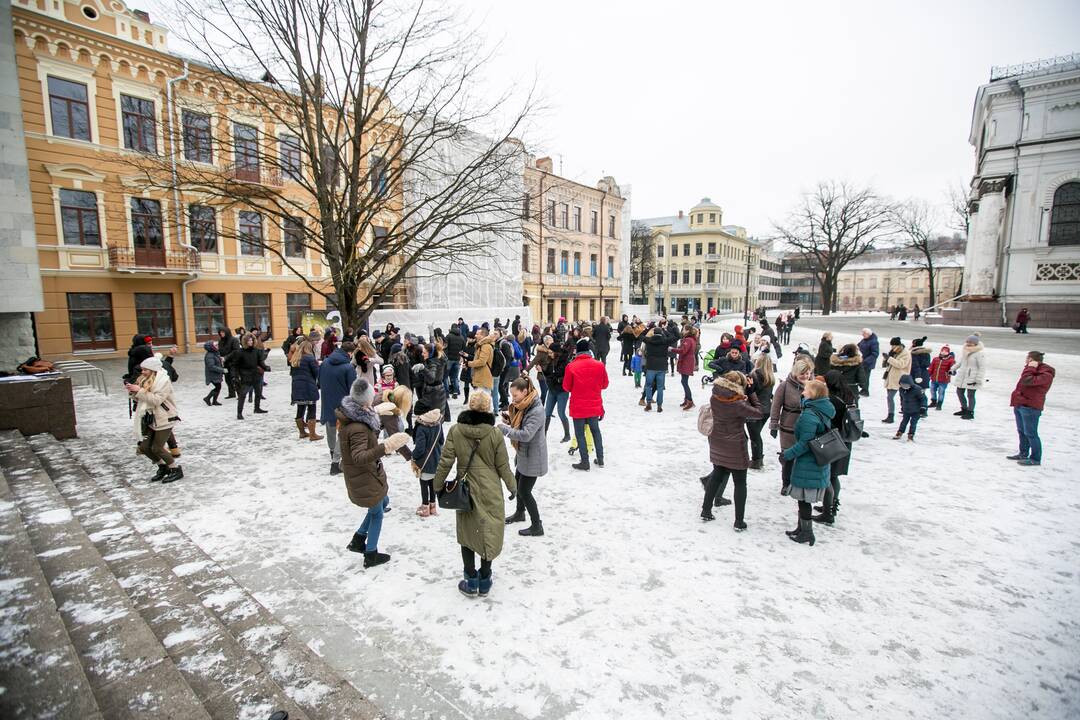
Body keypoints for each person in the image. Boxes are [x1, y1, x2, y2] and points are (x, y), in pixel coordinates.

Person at [433, 391, 517, 598]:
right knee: (489, 529)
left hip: (465, 489)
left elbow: (445, 460)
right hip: (490, 489)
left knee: (467, 534)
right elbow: (503, 465)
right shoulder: (495, 433)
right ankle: (485, 578)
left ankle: (470, 580)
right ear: (488, 408)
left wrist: (437, 485)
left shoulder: (456, 430)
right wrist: (512, 486)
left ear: (470, 406)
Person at [340, 378, 411, 569]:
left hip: (367, 475)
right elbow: (359, 457)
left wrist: (375, 412)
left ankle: (359, 538)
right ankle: (370, 553)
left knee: (383, 502)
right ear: (366, 401)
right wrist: (386, 446)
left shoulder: (356, 418)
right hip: (364, 476)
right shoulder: (358, 428)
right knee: (377, 512)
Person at [701, 371, 764, 530]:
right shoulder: (738, 405)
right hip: (736, 446)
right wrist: (751, 393)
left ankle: (706, 510)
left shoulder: (714, 397)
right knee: (740, 482)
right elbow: (759, 412)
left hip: (717, 441)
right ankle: (739, 521)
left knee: (717, 476)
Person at [781, 379, 834, 547]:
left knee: (803, 500)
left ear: (813, 394)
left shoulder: (809, 415)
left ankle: (807, 532)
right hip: (818, 461)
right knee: (803, 499)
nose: (803, 392)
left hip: (808, 464)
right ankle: (801, 528)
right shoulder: (823, 409)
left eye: (806, 390)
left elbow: (805, 443)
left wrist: (787, 455)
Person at [499, 377, 547, 536]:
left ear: (525, 391)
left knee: (525, 491)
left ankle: (537, 526)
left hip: (533, 456)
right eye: (511, 396)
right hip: (523, 454)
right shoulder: (525, 405)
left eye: (515, 396)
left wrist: (504, 430)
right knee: (518, 483)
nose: (513, 399)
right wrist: (510, 422)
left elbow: (526, 434)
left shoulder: (536, 410)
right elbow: (521, 425)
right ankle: (520, 513)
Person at [125, 356, 183, 483]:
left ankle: (175, 469)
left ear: (153, 370)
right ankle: (163, 467)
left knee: (157, 448)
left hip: (164, 418)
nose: (142, 372)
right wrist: (132, 392)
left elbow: (156, 400)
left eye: (145, 370)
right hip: (149, 418)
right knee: (145, 448)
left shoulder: (164, 381)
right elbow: (142, 399)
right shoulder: (145, 379)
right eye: (142, 369)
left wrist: (139, 390)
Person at [769, 356, 815, 496]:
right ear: (796, 372)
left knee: (803, 456)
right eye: (803, 373)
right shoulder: (785, 385)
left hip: (807, 428)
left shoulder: (813, 386)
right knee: (788, 455)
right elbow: (776, 405)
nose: (805, 376)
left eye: (808, 373)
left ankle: (800, 482)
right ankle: (786, 483)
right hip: (789, 427)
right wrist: (774, 424)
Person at [563, 338, 608, 471]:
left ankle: (585, 461)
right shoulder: (599, 365)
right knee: (596, 432)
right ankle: (600, 459)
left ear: (577, 350)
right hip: (594, 404)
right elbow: (605, 384)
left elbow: (566, 387)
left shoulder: (571, 366)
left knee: (580, 434)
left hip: (578, 406)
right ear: (589, 350)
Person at [818, 371, 854, 523]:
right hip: (845, 440)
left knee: (829, 475)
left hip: (833, 440)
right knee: (834, 475)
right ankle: (832, 503)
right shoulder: (849, 395)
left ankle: (828, 511)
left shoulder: (831, 400)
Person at [1008, 351, 1055, 466]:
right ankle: (1023, 453)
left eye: (1027, 358)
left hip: (1031, 407)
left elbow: (1027, 381)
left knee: (1031, 433)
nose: (1026, 360)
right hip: (1021, 403)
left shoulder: (1046, 373)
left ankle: (1035, 458)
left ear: (1031, 360)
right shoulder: (1032, 369)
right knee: (1022, 431)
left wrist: (1030, 368)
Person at [319, 341, 358, 475]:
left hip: (327, 401)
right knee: (343, 432)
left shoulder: (325, 363)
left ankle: (332, 452)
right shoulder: (348, 367)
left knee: (330, 429)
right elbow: (353, 390)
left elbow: (319, 382)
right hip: (343, 405)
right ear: (350, 353)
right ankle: (335, 463)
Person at [410, 406, 445, 517]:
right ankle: (433, 507)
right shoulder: (438, 425)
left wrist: (413, 456)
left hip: (425, 461)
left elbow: (420, 448)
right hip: (436, 459)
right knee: (432, 484)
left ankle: (425, 508)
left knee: (424, 484)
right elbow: (441, 441)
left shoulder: (421, 428)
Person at [290, 340, 323, 441]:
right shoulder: (310, 358)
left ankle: (302, 432)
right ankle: (313, 434)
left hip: (297, 386)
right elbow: (316, 373)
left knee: (300, 408)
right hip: (308, 386)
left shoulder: (295, 358)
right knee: (311, 408)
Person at [747, 353, 775, 470]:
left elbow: (749, 392)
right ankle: (758, 458)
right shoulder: (770, 377)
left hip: (755, 409)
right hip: (767, 409)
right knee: (757, 435)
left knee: (754, 436)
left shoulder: (754, 375)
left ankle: (756, 460)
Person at [542, 339, 572, 442]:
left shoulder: (565, 362)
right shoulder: (550, 360)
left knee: (561, 413)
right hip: (552, 390)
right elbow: (549, 375)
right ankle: (543, 435)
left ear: (556, 353)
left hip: (562, 391)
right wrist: (543, 371)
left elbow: (566, 377)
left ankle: (567, 435)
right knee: (547, 413)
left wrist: (558, 379)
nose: (549, 354)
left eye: (551, 352)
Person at [235, 333, 270, 419]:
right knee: (242, 395)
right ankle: (239, 413)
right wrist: (235, 376)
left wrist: (265, 367)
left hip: (256, 375)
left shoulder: (256, 351)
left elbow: (260, 362)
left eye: (252, 340)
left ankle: (257, 408)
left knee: (258, 392)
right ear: (245, 342)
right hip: (246, 376)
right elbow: (235, 365)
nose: (250, 342)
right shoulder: (240, 352)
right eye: (248, 340)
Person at [952, 334, 985, 420]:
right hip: (963, 376)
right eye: (967, 341)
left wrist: (978, 379)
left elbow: (982, 367)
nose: (968, 343)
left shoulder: (979, 353)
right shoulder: (965, 351)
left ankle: (970, 412)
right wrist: (952, 369)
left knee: (970, 395)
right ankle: (964, 409)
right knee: (959, 392)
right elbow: (960, 363)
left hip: (972, 377)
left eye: (970, 342)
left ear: (975, 343)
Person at [881, 337, 911, 424]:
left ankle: (895, 415)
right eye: (891, 345)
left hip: (899, 378)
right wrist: (886, 359)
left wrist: (889, 358)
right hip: (891, 377)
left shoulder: (905, 353)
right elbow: (888, 365)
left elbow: (901, 364)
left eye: (893, 345)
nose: (892, 347)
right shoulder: (894, 352)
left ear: (898, 345)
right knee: (890, 397)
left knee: (892, 397)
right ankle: (890, 415)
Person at [642, 325, 670, 412]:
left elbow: (640, 336)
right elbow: (676, 336)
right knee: (660, 387)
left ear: (653, 333)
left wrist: (647, 329)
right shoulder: (665, 341)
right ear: (661, 333)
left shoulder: (649, 340)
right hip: (661, 367)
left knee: (648, 386)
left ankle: (649, 403)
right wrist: (665, 331)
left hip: (651, 366)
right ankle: (659, 406)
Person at [894, 374, 925, 441]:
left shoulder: (918, 389)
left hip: (916, 411)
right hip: (906, 410)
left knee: (913, 423)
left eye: (906, 385)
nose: (904, 387)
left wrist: (923, 407)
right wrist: (902, 406)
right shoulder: (901, 389)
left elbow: (923, 399)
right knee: (904, 422)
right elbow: (902, 399)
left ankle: (911, 435)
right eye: (902, 385)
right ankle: (900, 432)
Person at [928, 344, 956, 411]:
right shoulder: (935, 359)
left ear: (948, 352)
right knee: (932, 390)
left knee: (941, 392)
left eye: (945, 351)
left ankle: (939, 404)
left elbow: (953, 369)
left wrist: (952, 372)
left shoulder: (951, 360)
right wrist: (928, 375)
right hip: (934, 379)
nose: (943, 352)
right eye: (942, 350)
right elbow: (931, 368)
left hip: (943, 380)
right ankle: (933, 402)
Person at [676, 326, 698, 410]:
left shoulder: (688, 340)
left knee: (684, 382)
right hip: (688, 361)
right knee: (684, 381)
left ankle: (690, 400)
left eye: (684, 329)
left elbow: (683, 351)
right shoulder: (690, 339)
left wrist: (672, 349)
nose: (682, 331)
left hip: (686, 362)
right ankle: (687, 399)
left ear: (688, 331)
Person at [909, 337, 931, 417]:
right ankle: (923, 410)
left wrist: (917, 376)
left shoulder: (914, 353)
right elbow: (927, 364)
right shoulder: (927, 353)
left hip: (916, 376)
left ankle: (919, 410)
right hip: (925, 375)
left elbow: (916, 366)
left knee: (916, 394)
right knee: (922, 394)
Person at [444, 324, 466, 398]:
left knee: (446, 377)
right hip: (457, 359)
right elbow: (463, 348)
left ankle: (446, 394)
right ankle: (455, 392)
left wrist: (446, 357)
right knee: (455, 377)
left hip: (449, 360)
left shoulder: (448, 336)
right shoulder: (462, 337)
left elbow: (445, 348)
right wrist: (461, 356)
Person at [857, 329, 879, 397]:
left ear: (868, 334)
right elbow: (858, 346)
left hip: (868, 363)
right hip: (862, 361)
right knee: (862, 376)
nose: (862, 335)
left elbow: (875, 354)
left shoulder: (874, 342)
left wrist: (865, 361)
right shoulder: (864, 340)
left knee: (865, 376)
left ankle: (865, 391)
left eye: (864, 334)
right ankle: (863, 389)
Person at [202, 340, 224, 406]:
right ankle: (207, 398)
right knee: (218, 387)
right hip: (212, 375)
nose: (217, 346)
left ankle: (214, 401)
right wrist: (222, 370)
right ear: (211, 347)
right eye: (216, 345)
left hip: (216, 374)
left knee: (218, 387)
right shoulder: (209, 355)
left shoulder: (215, 353)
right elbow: (211, 366)